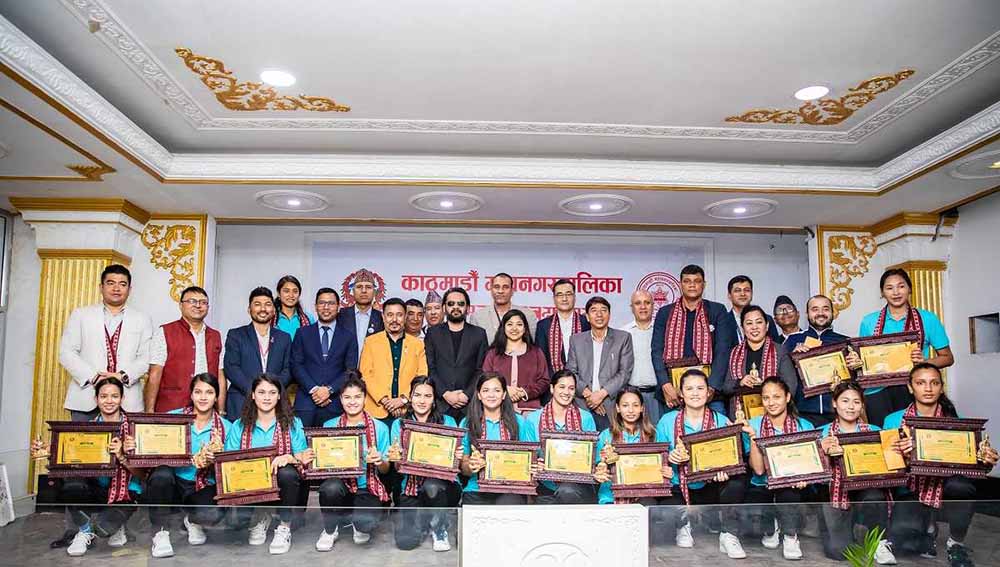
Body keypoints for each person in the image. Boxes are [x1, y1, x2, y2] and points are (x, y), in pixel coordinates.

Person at [884, 363, 997, 567]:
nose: (928, 388)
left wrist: (984, 460)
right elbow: (887, 466)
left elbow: (967, 462)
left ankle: (956, 543)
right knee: (905, 543)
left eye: (934, 383)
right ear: (910, 387)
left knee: (961, 486)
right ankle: (928, 527)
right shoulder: (893, 420)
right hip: (910, 487)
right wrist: (905, 457)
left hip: (945, 485)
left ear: (941, 387)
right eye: (921, 383)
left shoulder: (955, 421)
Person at [31, 377, 145, 557]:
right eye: (103, 396)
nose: (109, 401)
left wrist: (122, 456)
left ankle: (115, 526)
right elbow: (69, 456)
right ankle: (84, 531)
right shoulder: (85, 428)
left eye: (114, 396)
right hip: (95, 487)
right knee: (70, 482)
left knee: (103, 529)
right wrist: (47, 450)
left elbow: (143, 475)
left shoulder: (135, 429)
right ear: (96, 399)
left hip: (125, 493)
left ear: (122, 399)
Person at [656, 369, 747, 558]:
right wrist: (670, 458)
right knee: (667, 506)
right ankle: (683, 524)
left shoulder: (721, 421)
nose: (695, 393)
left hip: (710, 485)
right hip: (679, 486)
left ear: (708, 392)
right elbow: (657, 460)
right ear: (681, 393)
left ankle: (728, 534)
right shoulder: (667, 421)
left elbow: (736, 456)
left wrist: (726, 470)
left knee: (737, 482)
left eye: (700, 388)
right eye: (689, 389)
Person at [145, 373, 232, 557]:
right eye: (198, 392)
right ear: (191, 395)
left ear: (216, 397)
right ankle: (160, 533)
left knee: (212, 513)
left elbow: (231, 469)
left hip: (203, 486)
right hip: (174, 483)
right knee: (161, 475)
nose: (203, 397)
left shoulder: (227, 427)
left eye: (209, 392)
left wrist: (215, 461)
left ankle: (192, 520)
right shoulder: (172, 418)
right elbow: (149, 444)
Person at [224, 374, 308, 555]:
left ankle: (284, 526)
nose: (267, 397)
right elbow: (228, 462)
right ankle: (261, 516)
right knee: (236, 523)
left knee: (287, 473)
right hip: (250, 485)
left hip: (282, 486)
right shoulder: (238, 425)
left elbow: (304, 458)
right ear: (253, 395)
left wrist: (289, 458)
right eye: (261, 392)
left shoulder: (294, 424)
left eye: (272, 392)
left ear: (279, 396)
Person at [860, 269, 954, 426]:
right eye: (889, 288)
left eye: (901, 286)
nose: (896, 292)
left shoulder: (928, 318)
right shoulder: (869, 322)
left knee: (913, 434)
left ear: (910, 289)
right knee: (884, 436)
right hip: (877, 391)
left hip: (913, 388)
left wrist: (924, 363)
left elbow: (948, 358)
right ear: (882, 293)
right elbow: (863, 359)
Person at [817, 382, 896, 564]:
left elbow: (891, 466)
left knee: (875, 496)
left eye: (856, 402)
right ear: (834, 403)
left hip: (866, 487)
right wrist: (822, 452)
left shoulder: (876, 431)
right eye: (845, 401)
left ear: (862, 405)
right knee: (838, 552)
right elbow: (814, 473)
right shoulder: (822, 433)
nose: (851, 407)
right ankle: (848, 530)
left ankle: (879, 542)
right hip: (835, 491)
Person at [59, 264, 152, 417]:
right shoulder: (81, 315)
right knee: (82, 434)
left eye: (122, 284)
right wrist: (94, 377)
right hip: (86, 397)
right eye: (111, 283)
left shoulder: (142, 319)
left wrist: (122, 376)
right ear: (101, 287)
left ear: (129, 289)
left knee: (126, 435)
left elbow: (146, 357)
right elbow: (66, 353)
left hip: (128, 401)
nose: (116, 288)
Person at [312, 372, 391, 551]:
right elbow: (322, 465)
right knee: (331, 488)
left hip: (366, 487)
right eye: (347, 397)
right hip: (340, 485)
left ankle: (356, 519)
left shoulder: (379, 427)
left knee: (366, 525)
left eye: (357, 397)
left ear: (364, 398)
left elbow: (386, 470)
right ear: (341, 399)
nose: (352, 402)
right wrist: (314, 459)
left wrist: (379, 461)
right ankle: (330, 529)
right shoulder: (329, 425)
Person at [743, 377, 815, 561]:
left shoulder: (804, 426)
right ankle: (771, 526)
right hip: (762, 483)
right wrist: (753, 438)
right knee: (754, 512)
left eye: (777, 397)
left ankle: (790, 536)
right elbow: (759, 471)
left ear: (788, 397)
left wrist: (804, 478)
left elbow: (810, 464)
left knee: (789, 493)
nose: (771, 402)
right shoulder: (753, 424)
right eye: (766, 398)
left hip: (792, 484)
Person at [387, 376, 462, 552]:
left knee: (432, 486)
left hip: (443, 486)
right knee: (405, 542)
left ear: (434, 400)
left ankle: (439, 527)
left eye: (428, 396)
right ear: (410, 397)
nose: (422, 401)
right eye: (417, 395)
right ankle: (425, 520)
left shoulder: (448, 422)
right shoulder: (399, 424)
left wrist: (456, 457)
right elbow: (397, 468)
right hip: (410, 486)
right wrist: (396, 459)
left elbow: (456, 465)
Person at [652, 264, 736, 413]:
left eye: (697, 281)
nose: (692, 285)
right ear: (680, 284)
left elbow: (723, 351)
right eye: (687, 281)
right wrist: (665, 384)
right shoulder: (665, 313)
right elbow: (657, 351)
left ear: (704, 285)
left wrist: (711, 387)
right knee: (672, 428)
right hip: (673, 392)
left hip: (710, 392)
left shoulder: (717, 310)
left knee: (716, 428)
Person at [459, 371, 538, 505]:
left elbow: (530, 459)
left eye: (496, 390)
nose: (491, 395)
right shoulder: (467, 423)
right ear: (479, 395)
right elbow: (463, 466)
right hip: (476, 488)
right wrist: (471, 465)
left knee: (509, 503)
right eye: (486, 390)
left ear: (504, 395)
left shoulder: (520, 422)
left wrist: (533, 467)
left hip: (511, 488)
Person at [145, 286, 224, 413]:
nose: (198, 305)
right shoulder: (165, 332)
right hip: (172, 407)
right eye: (192, 301)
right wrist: (149, 412)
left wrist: (221, 411)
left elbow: (220, 375)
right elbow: (155, 373)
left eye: (203, 302)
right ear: (181, 305)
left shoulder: (215, 336)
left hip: (207, 409)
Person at [525, 369, 600, 504]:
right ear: (552, 388)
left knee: (567, 491)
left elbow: (594, 458)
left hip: (578, 485)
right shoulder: (533, 419)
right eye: (562, 387)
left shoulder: (585, 418)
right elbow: (528, 457)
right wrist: (535, 464)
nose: (566, 392)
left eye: (571, 388)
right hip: (545, 485)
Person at [779, 295, 855, 426]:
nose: (820, 313)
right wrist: (792, 357)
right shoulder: (792, 341)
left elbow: (855, 382)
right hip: (802, 414)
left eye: (825, 309)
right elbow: (781, 377)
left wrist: (855, 366)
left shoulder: (845, 342)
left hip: (837, 413)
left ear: (833, 312)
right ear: (807, 314)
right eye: (815, 309)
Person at [291, 287, 358, 427]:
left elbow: (350, 370)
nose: (326, 307)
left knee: (333, 441)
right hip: (306, 404)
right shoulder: (302, 333)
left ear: (338, 307)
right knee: (302, 441)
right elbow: (296, 365)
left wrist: (329, 390)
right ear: (316, 306)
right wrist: (314, 390)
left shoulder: (348, 336)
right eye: (322, 303)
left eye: (331, 303)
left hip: (334, 404)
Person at [224, 287, 293, 418]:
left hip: (275, 403)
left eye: (267, 304)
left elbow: (288, 369)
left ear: (274, 310)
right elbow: (231, 367)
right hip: (242, 399)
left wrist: (272, 391)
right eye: (257, 304)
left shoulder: (284, 338)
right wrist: (255, 391)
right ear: (249, 309)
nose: (263, 308)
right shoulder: (236, 335)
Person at [566, 296, 634, 430]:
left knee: (609, 442)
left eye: (603, 310)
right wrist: (589, 395)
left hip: (610, 404)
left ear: (609, 315)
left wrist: (601, 394)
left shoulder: (623, 338)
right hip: (583, 404)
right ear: (587, 316)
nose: (599, 314)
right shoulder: (576, 340)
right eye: (594, 310)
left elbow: (624, 373)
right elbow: (571, 372)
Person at [359, 297, 428, 425]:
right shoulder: (371, 342)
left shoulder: (417, 344)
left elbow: (422, 376)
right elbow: (365, 375)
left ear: (405, 317)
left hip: (407, 410)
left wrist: (403, 400)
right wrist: (386, 401)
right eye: (390, 315)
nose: (394, 319)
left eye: (399, 315)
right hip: (376, 410)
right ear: (383, 317)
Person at [424, 287, 489, 420]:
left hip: (469, 405)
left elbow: (481, 369)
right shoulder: (433, 333)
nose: (455, 307)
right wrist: (445, 393)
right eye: (451, 304)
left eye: (460, 304)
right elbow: (430, 368)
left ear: (468, 308)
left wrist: (466, 394)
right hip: (441, 404)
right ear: (444, 308)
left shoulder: (479, 334)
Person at [595, 386, 667, 505]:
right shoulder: (606, 436)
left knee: (648, 505)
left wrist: (666, 471)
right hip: (611, 496)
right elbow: (597, 467)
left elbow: (663, 465)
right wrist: (599, 473)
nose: (630, 410)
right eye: (625, 405)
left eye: (635, 405)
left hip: (645, 494)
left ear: (642, 408)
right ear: (618, 408)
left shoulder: (654, 434)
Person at [721, 305, 790, 419]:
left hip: (775, 415)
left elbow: (790, 385)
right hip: (741, 417)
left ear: (767, 326)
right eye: (749, 323)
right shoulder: (734, 353)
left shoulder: (780, 350)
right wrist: (740, 382)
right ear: (743, 328)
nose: (754, 327)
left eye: (759, 322)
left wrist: (768, 386)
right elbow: (725, 387)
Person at [482, 309, 549, 414]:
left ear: (525, 328)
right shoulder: (493, 354)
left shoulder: (536, 352)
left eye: (519, 324)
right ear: (503, 328)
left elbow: (544, 381)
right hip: (499, 410)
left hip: (529, 411)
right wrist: (504, 389)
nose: (514, 328)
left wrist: (524, 392)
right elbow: (485, 379)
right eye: (510, 324)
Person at [622, 290, 665, 425]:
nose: (643, 307)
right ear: (631, 307)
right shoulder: (623, 333)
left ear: (653, 305)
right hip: (631, 396)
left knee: (658, 434)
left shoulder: (663, 331)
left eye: (647, 303)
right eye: (638, 303)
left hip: (658, 396)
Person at [536, 278, 590, 377]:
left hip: (583, 381)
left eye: (568, 294)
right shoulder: (543, 325)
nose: (564, 299)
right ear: (554, 299)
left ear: (574, 297)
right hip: (552, 381)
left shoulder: (587, 323)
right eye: (560, 295)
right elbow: (541, 360)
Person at [469, 272, 538, 345]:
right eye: (496, 287)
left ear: (512, 291)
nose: (500, 291)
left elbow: (531, 345)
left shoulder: (528, 315)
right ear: (491, 290)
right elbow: (474, 346)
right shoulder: (477, 317)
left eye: (505, 287)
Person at [338, 268, 385, 356]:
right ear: (353, 291)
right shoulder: (340, 316)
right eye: (359, 287)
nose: (364, 291)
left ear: (374, 292)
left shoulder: (382, 318)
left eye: (368, 287)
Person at [726, 275, 780, 343]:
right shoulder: (723, 321)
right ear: (729, 296)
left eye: (747, 290)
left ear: (752, 294)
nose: (743, 294)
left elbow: (775, 346)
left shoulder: (767, 319)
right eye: (737, 290)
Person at [273, 275, 315, 340]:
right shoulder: (271, 318)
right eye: (286, 291)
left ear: (299, 294)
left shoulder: (309, 319)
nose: (291, 295)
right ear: (278, 294)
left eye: (295, 291)